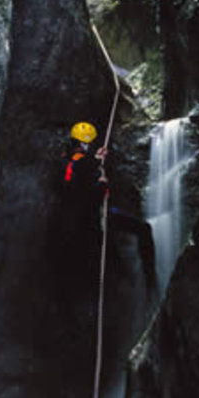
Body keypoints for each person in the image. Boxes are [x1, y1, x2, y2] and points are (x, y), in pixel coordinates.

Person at [63, 122, 157, 290]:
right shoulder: (74, 164)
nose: (87, 146)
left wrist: (96, 160)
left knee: (142, 229)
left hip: (96, 214)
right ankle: (148, 280)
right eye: (86, 143)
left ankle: (148, 279)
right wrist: (100, 185)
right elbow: (80, 195)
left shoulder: (75, 159)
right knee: (140, 232)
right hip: (90, 219)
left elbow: (84, 166)